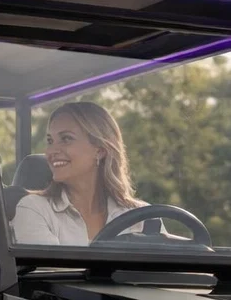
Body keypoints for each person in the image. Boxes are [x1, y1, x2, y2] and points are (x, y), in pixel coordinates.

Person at [11, 101, 142, 244]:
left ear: (100, 151)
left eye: (66, 139)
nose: (51, 151)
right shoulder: (34, 208)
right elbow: (47, 260)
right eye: (50, 141)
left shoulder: (141, 216)